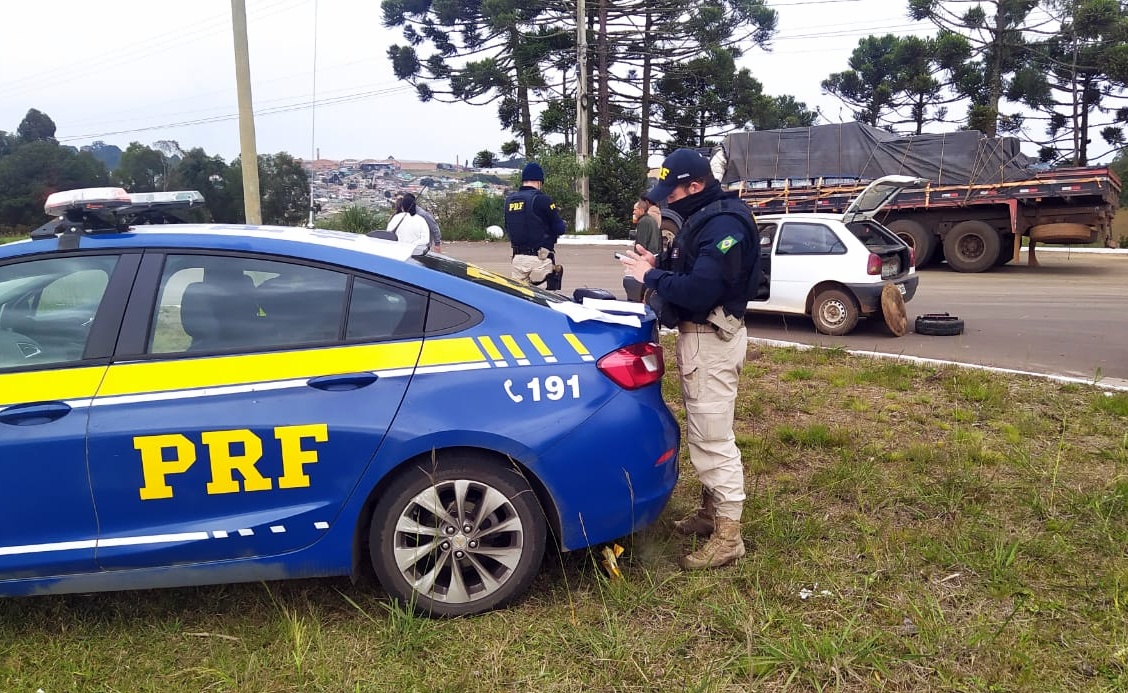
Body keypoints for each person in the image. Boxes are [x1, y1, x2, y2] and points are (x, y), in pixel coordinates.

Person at [620, 148, 760, 570]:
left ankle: (729, 536)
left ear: (695, 186)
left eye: (671, 191)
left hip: (711, 341)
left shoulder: (724, 224)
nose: (666, 200)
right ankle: (710, 513)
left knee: (713, 439)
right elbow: (692, 263)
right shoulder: (708, 216)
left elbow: (701, 289)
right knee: (704, 429)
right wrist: (658, 261)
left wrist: (651, 277)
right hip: (702, 342)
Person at [504, 162, 567, 288]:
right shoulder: (542, 199)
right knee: (542, 303)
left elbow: (507, 227)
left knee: (520, 302)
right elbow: (559, 228)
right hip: (539, 261)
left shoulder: (510, 200)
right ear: (539, 182)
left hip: (517, 260)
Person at [623, 196, 662, 302]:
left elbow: (641, 244)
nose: (634, 212)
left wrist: (637, 261)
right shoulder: (651, 220)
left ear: (641, 210)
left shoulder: (644, 222)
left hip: (646, 260)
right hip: (653, 256)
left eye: (635, 209)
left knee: (641, 293)